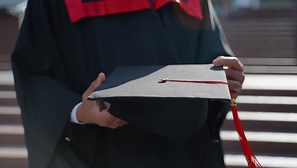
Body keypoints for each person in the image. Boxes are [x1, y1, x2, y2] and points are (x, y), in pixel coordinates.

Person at [11, 0, 244, 168]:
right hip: (100, 150)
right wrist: (79, 111)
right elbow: (35, 71)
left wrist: (224, 77)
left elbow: (211, 53)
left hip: (184, 150)